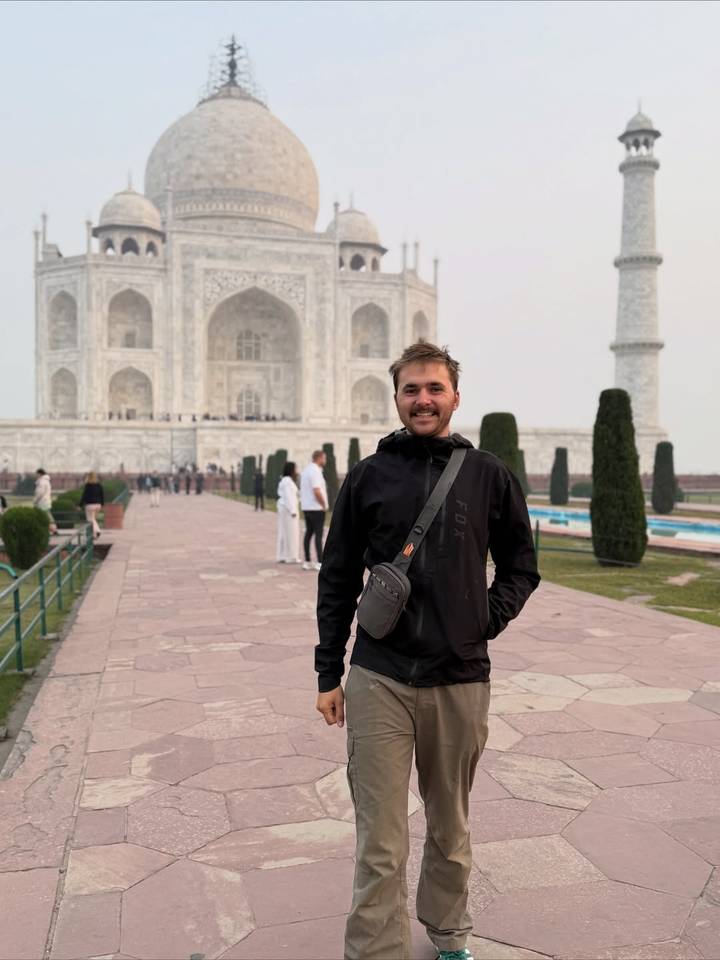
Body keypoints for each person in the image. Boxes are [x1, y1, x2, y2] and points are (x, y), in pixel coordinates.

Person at [315, 341, 540, 960]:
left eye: (434, 389)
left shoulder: (488, 474)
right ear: (395, 398)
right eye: (411, 390)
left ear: (455, 398)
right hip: (379, 677)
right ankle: (374, 952)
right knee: (380, 842)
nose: (423, 400)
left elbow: (522, 566)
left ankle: (449, 935)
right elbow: (336, 577)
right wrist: (326, 671)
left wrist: (482, 620)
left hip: (458, 675)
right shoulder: (367, 476)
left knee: (450, 828)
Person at [300, 450, 327, 571]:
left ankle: (307, 561)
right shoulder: (316, 471)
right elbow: (317, 490)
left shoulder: (306, 470)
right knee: (318, 535)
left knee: (308, 533)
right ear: (320, 458)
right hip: (316, 508)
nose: (325, 461)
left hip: (307, 507)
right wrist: (323, 504)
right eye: (324, 458)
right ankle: (319, 561)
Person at [276, 462, 301, 563]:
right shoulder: (287, 481)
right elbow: (288, 497)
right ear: (291, 470)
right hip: (289, 511)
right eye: (295, 469)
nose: (296, 471)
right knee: (291, 533)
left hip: (285, 509)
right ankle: (291, 557)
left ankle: (282, 555)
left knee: (284, 532)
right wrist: (293, 510)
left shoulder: (287, 481)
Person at [79, 471, 104, 538]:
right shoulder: (99, 485)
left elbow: (84, 496)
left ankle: (97, 531)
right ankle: (94, 535)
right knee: (93, 519)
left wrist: (80, 505)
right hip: (98, 505)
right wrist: (102, 504)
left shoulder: (88, 485)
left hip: (90, 505)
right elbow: (102, 495)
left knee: (90, 519)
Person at [33, 468, 57, 534]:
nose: (35, 475)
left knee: (45, 516)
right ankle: (52, 529)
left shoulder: (42, 482)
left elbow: (40, 493)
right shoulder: (46, 481)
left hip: (42, 502)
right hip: (45, 501)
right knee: (47, 515)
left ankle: (52, 529)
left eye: (36, 474)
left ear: (39, 474)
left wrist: (35, 500)